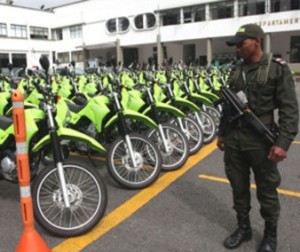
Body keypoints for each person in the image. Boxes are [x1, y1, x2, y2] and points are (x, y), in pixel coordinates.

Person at [217, 23, 299, 252]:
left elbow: (289, 110)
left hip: (261, 142)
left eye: (241, 44)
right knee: (238, 187)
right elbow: (228, 106)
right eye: (236, 45)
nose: (237, 49)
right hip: (234, 139)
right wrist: (222, 133)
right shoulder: (236, 70)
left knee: (267, 189)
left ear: (257, 41)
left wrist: (283, 143)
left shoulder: (276, 69)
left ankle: (270, 235)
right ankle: (243, 228)